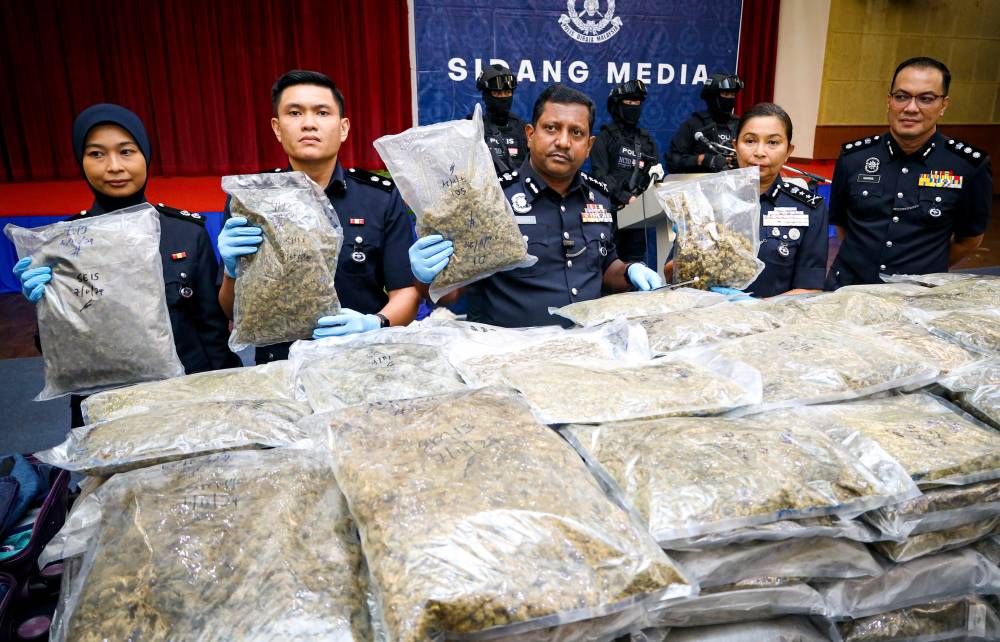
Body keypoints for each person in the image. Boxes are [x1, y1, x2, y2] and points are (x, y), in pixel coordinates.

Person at [12, 103, 240, 427]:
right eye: (97, 154)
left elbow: (212, 330)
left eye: (126, 151)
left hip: (187, 399)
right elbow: (65, 349)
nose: (114, 166)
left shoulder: (186, 232)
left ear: (145, 155)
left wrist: (230, 399)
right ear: (81, 161)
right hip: (106, 405)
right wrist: (45, 313)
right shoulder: (63, 244)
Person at [409, 83, 663, 329]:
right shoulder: (490, 201)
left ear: (589, 146)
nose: (563, 142)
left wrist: (629, 271)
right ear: (530, 135)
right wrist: (426, 277)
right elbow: (449, 294)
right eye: (551, 128)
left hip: (586, 347)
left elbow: (604, 266)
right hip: (505, 351)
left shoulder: (598, 198)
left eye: (576, 133)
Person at [217, 70, 419, 364]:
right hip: (281, 366)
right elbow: (231, 310)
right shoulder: (251, 202)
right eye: (294, 113)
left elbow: (406, 293)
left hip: (363, 360)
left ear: (343, 128)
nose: (309, 123)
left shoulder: (379, 198)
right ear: (277, 128)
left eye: (322, 113)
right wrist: (231, 272)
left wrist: (375, 323)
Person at [826, 57, 992, 288]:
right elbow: (842, 224)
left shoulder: (967, 165)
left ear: (943, 105)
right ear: (889, 101)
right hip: (849, 290)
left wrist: (923, 273)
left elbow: (970, 239)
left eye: (926, 99)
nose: (911, 108)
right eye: (901, 96)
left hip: (917, 297)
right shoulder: (854, 157)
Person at [734, 103, 828, 297]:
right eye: (750, 141)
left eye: (773, 142)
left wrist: (755, 308)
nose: (759, 152)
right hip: (709, 312)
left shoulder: (809, 209)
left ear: (788, 152)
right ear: (735, 146)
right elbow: (676, 272)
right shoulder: (707, 200)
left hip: (774, 314)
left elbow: (809, 288)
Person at [590, 80, 664, 262]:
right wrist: (625, 197)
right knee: (607, 264)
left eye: (637, 102)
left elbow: (655, 176)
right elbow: (599, 177)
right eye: (629, 102)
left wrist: (649, 193)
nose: (633, 106)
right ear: (617, 105)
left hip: (637, 218)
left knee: (635, 264)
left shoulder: (646, 140)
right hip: (610, 215)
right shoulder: (605, 138)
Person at [666, 73, 743, 174]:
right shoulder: (694, 125)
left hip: (736, 181)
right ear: (712, 96)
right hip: (700, 182)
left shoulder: (740, 125)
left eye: (732, 95)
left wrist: (741, 161)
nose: (730, 98)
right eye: (725, 94)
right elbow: (673, 162)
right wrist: (703, 160)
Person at [473, 63, 529, 176]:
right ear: (486, 96)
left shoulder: (524, 129)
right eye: (498, 93)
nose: (503, 97)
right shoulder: (474, 129)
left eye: (507, 92)